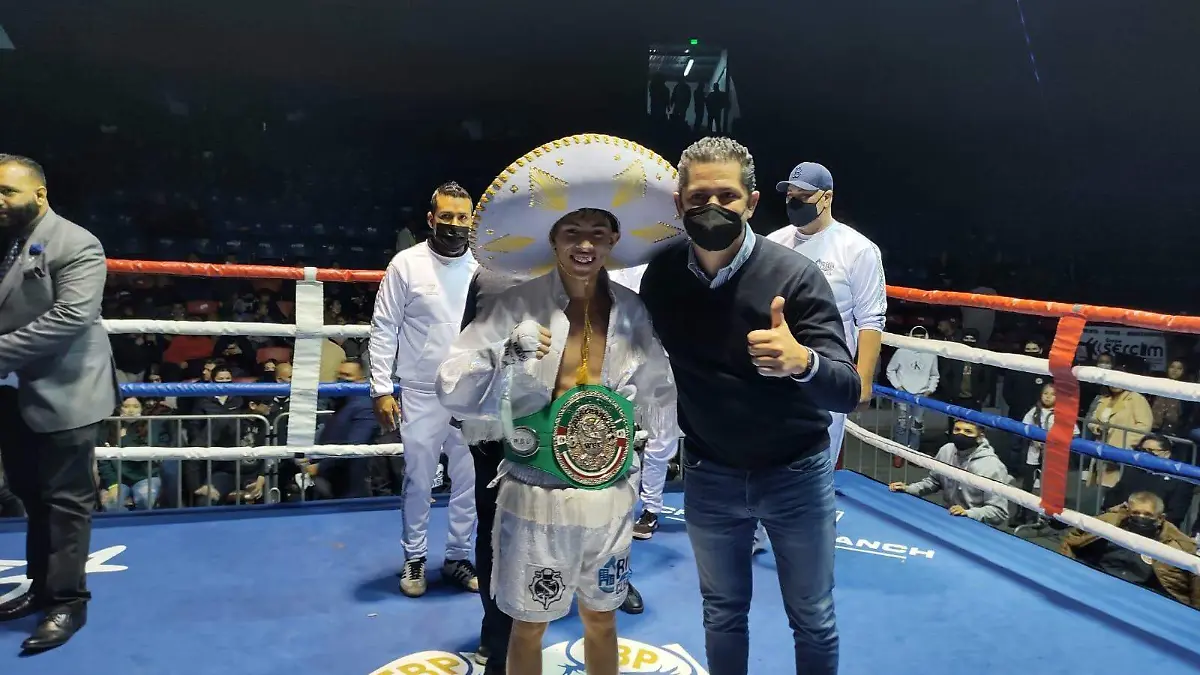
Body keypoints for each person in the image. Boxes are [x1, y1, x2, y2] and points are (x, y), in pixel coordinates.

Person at [437, 134, 680, 675]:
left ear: (614, 239)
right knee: (527, 624)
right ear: (553, 238)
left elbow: (661, 391)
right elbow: (450, 383)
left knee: (603, 620)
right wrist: (502, 353)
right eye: (573, 231)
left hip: (610, 493)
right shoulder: (515, 304)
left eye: (597, 232)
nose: (585, 244)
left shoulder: (633, 311)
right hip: (535, 491)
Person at [639, 137, 861, 675]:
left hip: (795, 473)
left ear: (752, 202)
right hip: (710, 471)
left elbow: (847, 389)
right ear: (678, 204)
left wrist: (802, 361)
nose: (711, 207)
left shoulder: (795, 276)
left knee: (813, 616)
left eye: (727, 196)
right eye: (698, 198)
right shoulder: (662, 275)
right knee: (721, 612)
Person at [0, 154, 120, 651]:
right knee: (31, 495)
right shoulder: (5, 241)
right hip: (13, 392)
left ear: (39, 194)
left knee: (66, 503)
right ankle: (41, 588)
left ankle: (68, 602)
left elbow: (70, 316)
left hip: (67, 390)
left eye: (7, 191)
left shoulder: (77, 242)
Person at [757, 161, 886, 551]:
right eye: (790, 196)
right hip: (776, 371)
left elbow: (870, 320)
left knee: (817, 463)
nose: (793, 202)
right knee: (764, 452)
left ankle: (811, 538)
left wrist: (862, 382)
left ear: (826, 198)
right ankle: (759, 530)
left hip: (827, 373)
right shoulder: (774, 242)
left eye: (803, 196)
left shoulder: (857, 249)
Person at [370, 181, 481, 597]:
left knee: (469, 479)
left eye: (462, 217)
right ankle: (414, 556)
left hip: (471, 390)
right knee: (419, 479)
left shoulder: (483, 266)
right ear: (431, 219)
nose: (454, 224)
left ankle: (458, 556)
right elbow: (384, 326)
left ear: (472, 220)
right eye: (446, 216)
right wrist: (381, 387)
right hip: (420, 390)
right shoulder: (406, 264)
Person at [607, 263, 682, 541]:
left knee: (666, 441)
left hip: (683, 362)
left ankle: (651, 509)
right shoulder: (614, 270)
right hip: (630, 363)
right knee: (622, 436)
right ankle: (633, 509)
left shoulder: (673, 263)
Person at [1060, 491, 1200, 608]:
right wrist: (1067, 571)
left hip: (1144, 600)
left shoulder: (1177, 545)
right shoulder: (1107, 523)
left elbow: (1193, 582)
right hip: (1099, 584)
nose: (1141, 517)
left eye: (1148, 514)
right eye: (1136, 512)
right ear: (1128, 512)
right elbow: (1073, 539)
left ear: (1160, 518)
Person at [887, 419, 1011, 526]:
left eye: (968, 431)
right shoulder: (947, 450)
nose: (961, 434)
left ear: (980, 436)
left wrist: (969, 513)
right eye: (957, 430)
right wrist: (910, 489)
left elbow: (999, 512)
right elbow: (934, 481)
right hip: (949, 517)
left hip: (976, 526)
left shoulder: (992, 466)